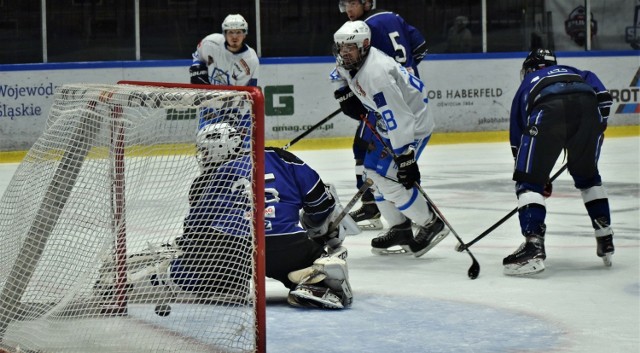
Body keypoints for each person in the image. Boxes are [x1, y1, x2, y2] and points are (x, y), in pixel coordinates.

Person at [171, 119, 353, 309]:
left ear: (219, 148)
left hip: (231, 250)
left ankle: (223, 285)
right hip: (287, 245)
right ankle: (317, 277)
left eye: (206, 151)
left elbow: (195, 229)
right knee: (318, 263)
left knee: (186, 271)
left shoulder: (206, 180)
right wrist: (319, 233)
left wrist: (186, 252)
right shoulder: (283, 158)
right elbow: (322, 204)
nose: (204, 157)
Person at [332, 20, 449, 257]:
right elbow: (339, 73)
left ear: (364, 45)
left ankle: (431, 223)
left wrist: (405, 156)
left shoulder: (377, 75)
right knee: (372, 175)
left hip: (413, 124)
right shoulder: (353, 60)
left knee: (391, 180)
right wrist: (343, 90)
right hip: (387, 120)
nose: (344, 52)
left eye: (350, 47)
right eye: (341, 46)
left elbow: (400, 116)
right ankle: (400, 229)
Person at [504, 48, 614, 276]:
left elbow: (519, 138)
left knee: (528, 182)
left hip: (548, 107)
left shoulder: (528, 82)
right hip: (587, 108)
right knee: (588, 177)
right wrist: (596, 128)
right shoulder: (575, 72)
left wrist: (535, 175)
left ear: (532, 67)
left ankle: (533, 247)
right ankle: (605, 237)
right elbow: (603, 97)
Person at [332, 0, 428, 231]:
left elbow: (370, 67)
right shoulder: (393, 16)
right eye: (344, 4)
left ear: (366, 3)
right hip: (392, 93)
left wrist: (366, 86)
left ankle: (376, 206)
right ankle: (385, 206)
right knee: (385, 161)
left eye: (352, 3)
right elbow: (420, 46)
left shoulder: (365, 27)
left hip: (387, 96)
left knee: (376, 155)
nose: (348, 10)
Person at [189, 14, 259, 87]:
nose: (234, 36)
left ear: (244, 34)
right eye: (230, 32)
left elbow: (248, 91)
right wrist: (197, 67)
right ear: (224, 34)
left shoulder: (251, 60)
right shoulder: (210, 43)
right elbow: (198, 55)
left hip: (233, 97)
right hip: (208, 94)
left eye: (238, 32)